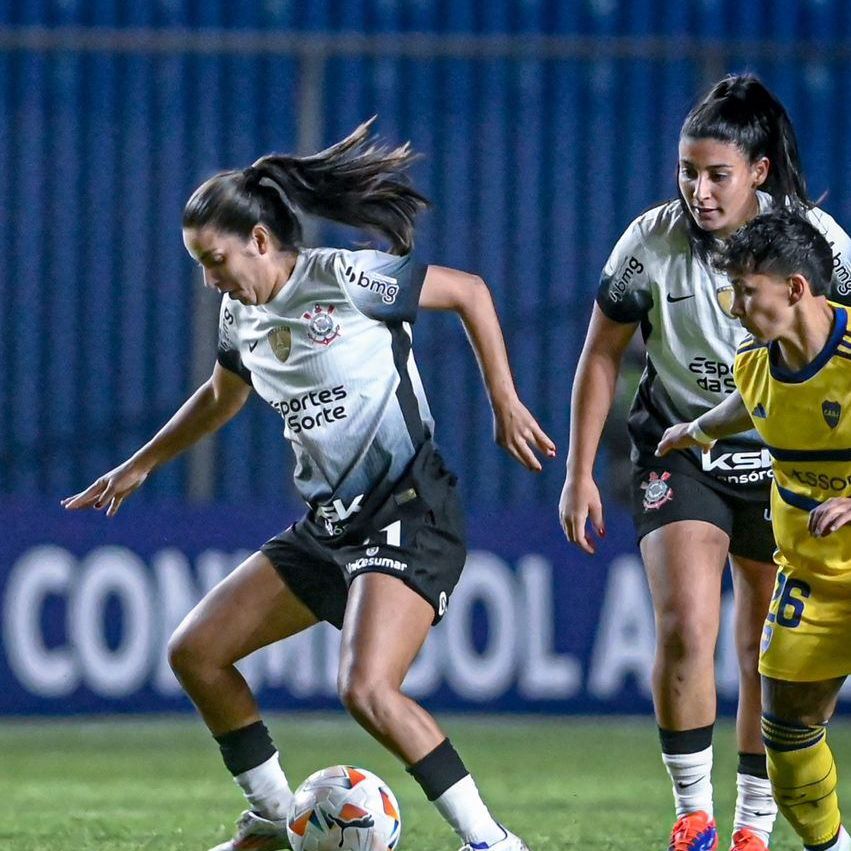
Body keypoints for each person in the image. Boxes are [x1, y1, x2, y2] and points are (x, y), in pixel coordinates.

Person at [62, 119, 555, 851]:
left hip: (409, 509)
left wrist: (504, 400)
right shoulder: (240, 314)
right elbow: (222, 396)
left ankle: (491, 842)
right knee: (195, 651)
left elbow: (471, 293)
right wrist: (142, 462)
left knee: (365, 689)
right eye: (199, 263)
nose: (209, 279)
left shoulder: (347, 278)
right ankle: (270, 814)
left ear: (259, 240)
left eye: (215, 258)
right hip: (330, 526)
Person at [558, 73, 851, 851]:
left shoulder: (815, 245)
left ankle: (755, 822)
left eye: (715, 172)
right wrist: (578, 469)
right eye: (687, 171)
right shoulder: (648, 243)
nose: (697, 188)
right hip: (680, 444)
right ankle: (693, 813)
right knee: (686, 622)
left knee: (762, 642)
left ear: (757, 171)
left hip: (788, 462)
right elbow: (599, 355)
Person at [657, 208, 851, 851]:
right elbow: (754, 403)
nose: (734, 307)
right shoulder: (756, 364)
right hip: (815, 580)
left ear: (796, 289)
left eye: (746, 291)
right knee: (787, 730)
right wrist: (698, 430)